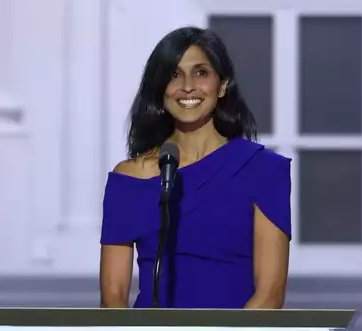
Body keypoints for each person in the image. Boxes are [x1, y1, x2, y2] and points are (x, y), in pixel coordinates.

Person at [99, 26, 291, 309]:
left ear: (222, 84)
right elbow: (113, 296)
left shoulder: (263, 169)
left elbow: (269, 295)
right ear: (160, 88)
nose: (187, 86)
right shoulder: (129, 178)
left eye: (201, 73)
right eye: (174, 75)